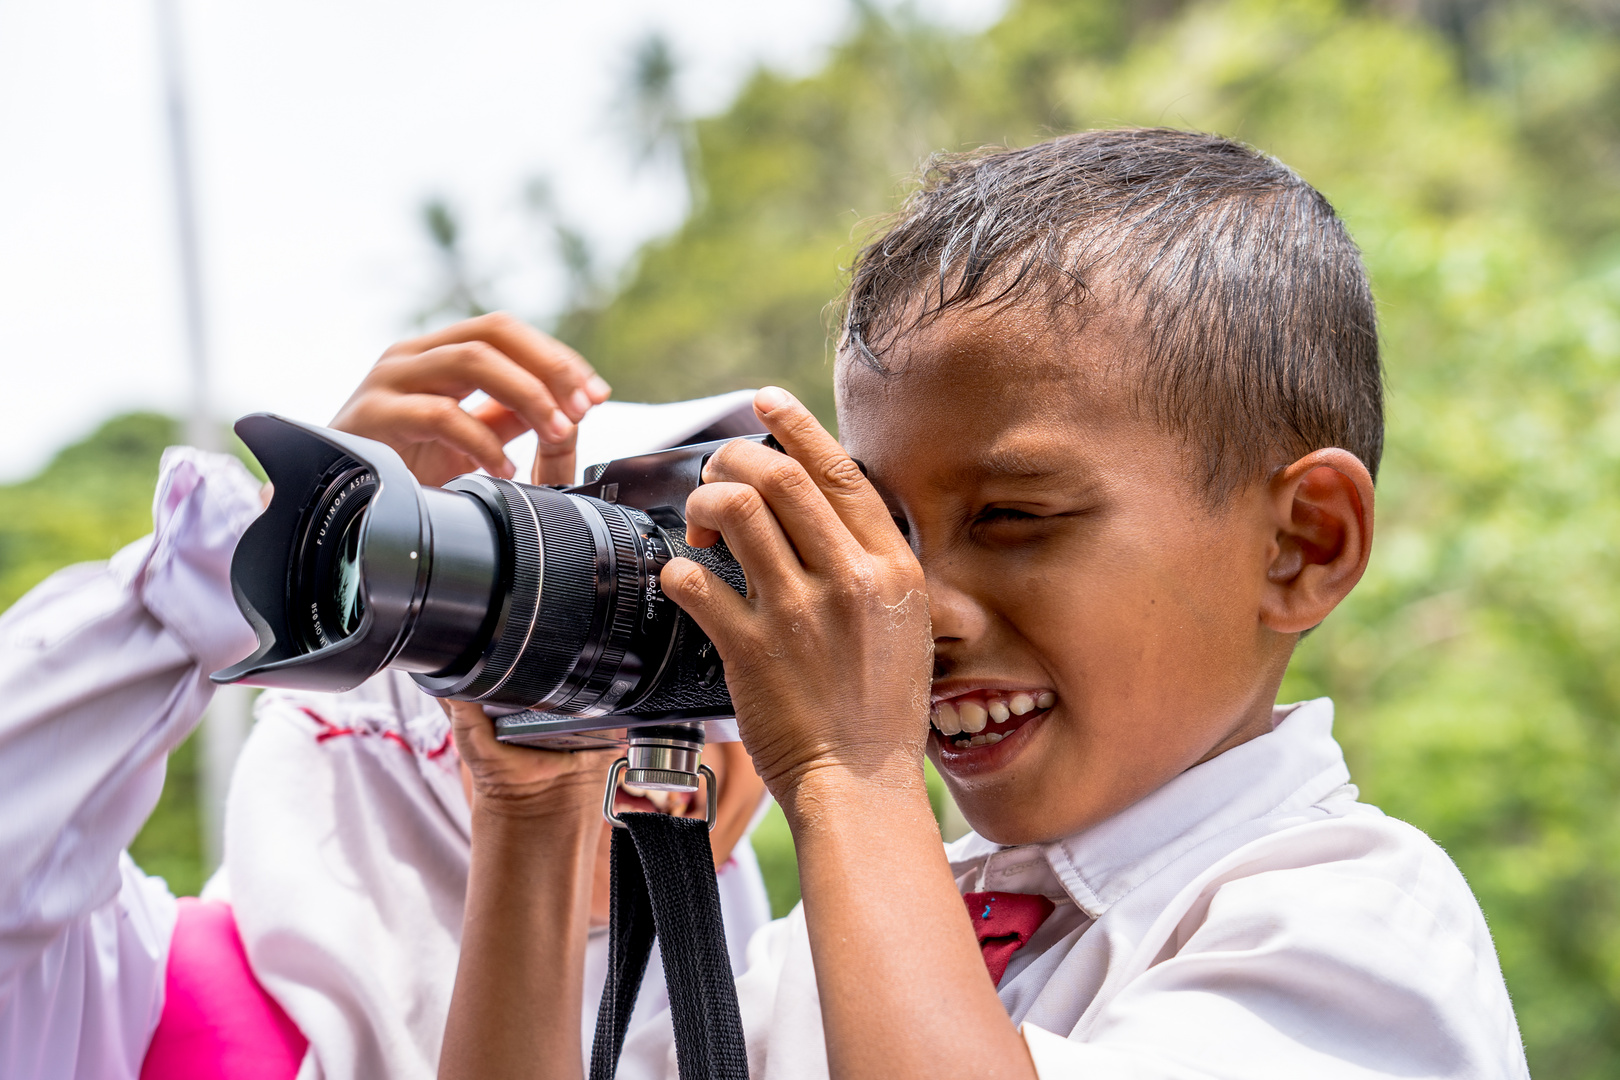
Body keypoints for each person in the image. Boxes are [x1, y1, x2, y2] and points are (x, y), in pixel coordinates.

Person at [437, 129, 1532, 1080]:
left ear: (1304, 545)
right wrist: (534, 816)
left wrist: (853, 779)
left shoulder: (1353, 923)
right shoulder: (858, 927)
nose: (917, 608)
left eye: (1014, 518)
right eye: (887, 533)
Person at [0, 313, 772, 1080]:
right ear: (387, 701)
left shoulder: (799, 1016)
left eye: (719, 625)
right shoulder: (137, 996)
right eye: (565, 627)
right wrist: (260, 564)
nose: (655, 707)